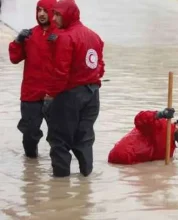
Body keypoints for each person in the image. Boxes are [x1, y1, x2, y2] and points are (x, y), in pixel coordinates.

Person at [45, 0, 105, 177]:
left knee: (59, 140)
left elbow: (60, 72)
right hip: (93, 94)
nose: (54, 19)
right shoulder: (94, 36)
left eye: (57, 15)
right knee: (85, 139)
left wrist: (50, 94)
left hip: (70, 95)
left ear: (68, 14)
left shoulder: (66, 37)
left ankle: (60, 189)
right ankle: (86, 182)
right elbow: (100, 66)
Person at [8, 0, 58, 158]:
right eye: (39, 10)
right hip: (31, 94)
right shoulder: (29, 35)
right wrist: (18, 41)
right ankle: (31, 171)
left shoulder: (61, 34)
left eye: (45, 10)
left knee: (57, 137)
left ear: (53, 12)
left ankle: (57, 173)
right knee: (29, 135)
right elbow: (14, 58)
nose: (41, 14)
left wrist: (58, 40)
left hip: (55, 96)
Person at [108, 108, 178, 165]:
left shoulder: (171, 146)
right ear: (177, 125)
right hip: (122, 156)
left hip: (130, 163)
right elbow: (139, 119)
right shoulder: (163, 125)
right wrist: (159, 114)